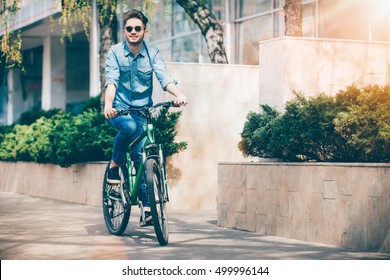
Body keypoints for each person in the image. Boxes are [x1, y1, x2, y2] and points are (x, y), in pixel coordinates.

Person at [103, 9, 187, 226]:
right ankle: (114, 165)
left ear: (144, 31)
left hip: (142, 111)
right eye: (129, 28)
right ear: (124, 31)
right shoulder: (115, 52)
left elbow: (163, 77)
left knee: (142, 156)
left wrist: (178, 95)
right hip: (119, 110)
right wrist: (108, 105)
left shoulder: (153, 53)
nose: (133, 32)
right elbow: (111, 81)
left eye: (137, 28)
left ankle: (148, 207)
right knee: (129, 127)